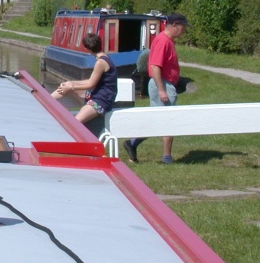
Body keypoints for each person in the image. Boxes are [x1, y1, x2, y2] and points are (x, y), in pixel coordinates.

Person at [123, 13, 189, 164]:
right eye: (183, 28)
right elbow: (155, 66)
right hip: (163, 83)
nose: (184, 31)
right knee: (168, 120)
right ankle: (166, 158)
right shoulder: (163, 41)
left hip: (165, 83)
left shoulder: (166, 40)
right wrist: (161, 89)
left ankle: (132, 143)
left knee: (158, 120)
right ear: (174, 26)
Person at [52, 33, 117, 123]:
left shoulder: (100, 62)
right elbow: (91, 81)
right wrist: (72, 83)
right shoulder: (104, 57)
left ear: (87, 49)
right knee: (66, 85)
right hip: (97, 94)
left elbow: (91, 84)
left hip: (102, 100)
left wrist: (72, 87)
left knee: (75, 123)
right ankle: (47, 99)